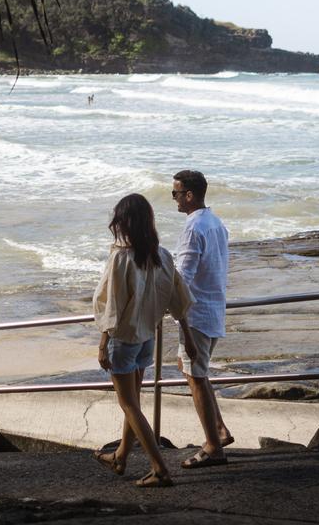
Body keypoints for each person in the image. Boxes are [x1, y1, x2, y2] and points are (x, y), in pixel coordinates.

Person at [93, 193, 198, 488]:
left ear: (123, 222)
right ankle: (120, 456)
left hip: (124, 340)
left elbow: (111, 306)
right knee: (134, 403)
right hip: (147, 339)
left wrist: (103, 344)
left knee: (128, 404)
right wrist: (187, 335)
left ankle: (159, 468)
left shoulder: (121, 257)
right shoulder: (161, 255)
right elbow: (179, 298)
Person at [171, 169, 235, 468]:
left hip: (195, 314)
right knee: (195, 371)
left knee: (195, 378)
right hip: (213, 309)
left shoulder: (193, 227)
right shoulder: (217, 223)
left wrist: (167, 304)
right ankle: (219, 430)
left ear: (189, 195)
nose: (174, 199)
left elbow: (184, 275)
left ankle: (212, 447)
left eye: (175, 193)